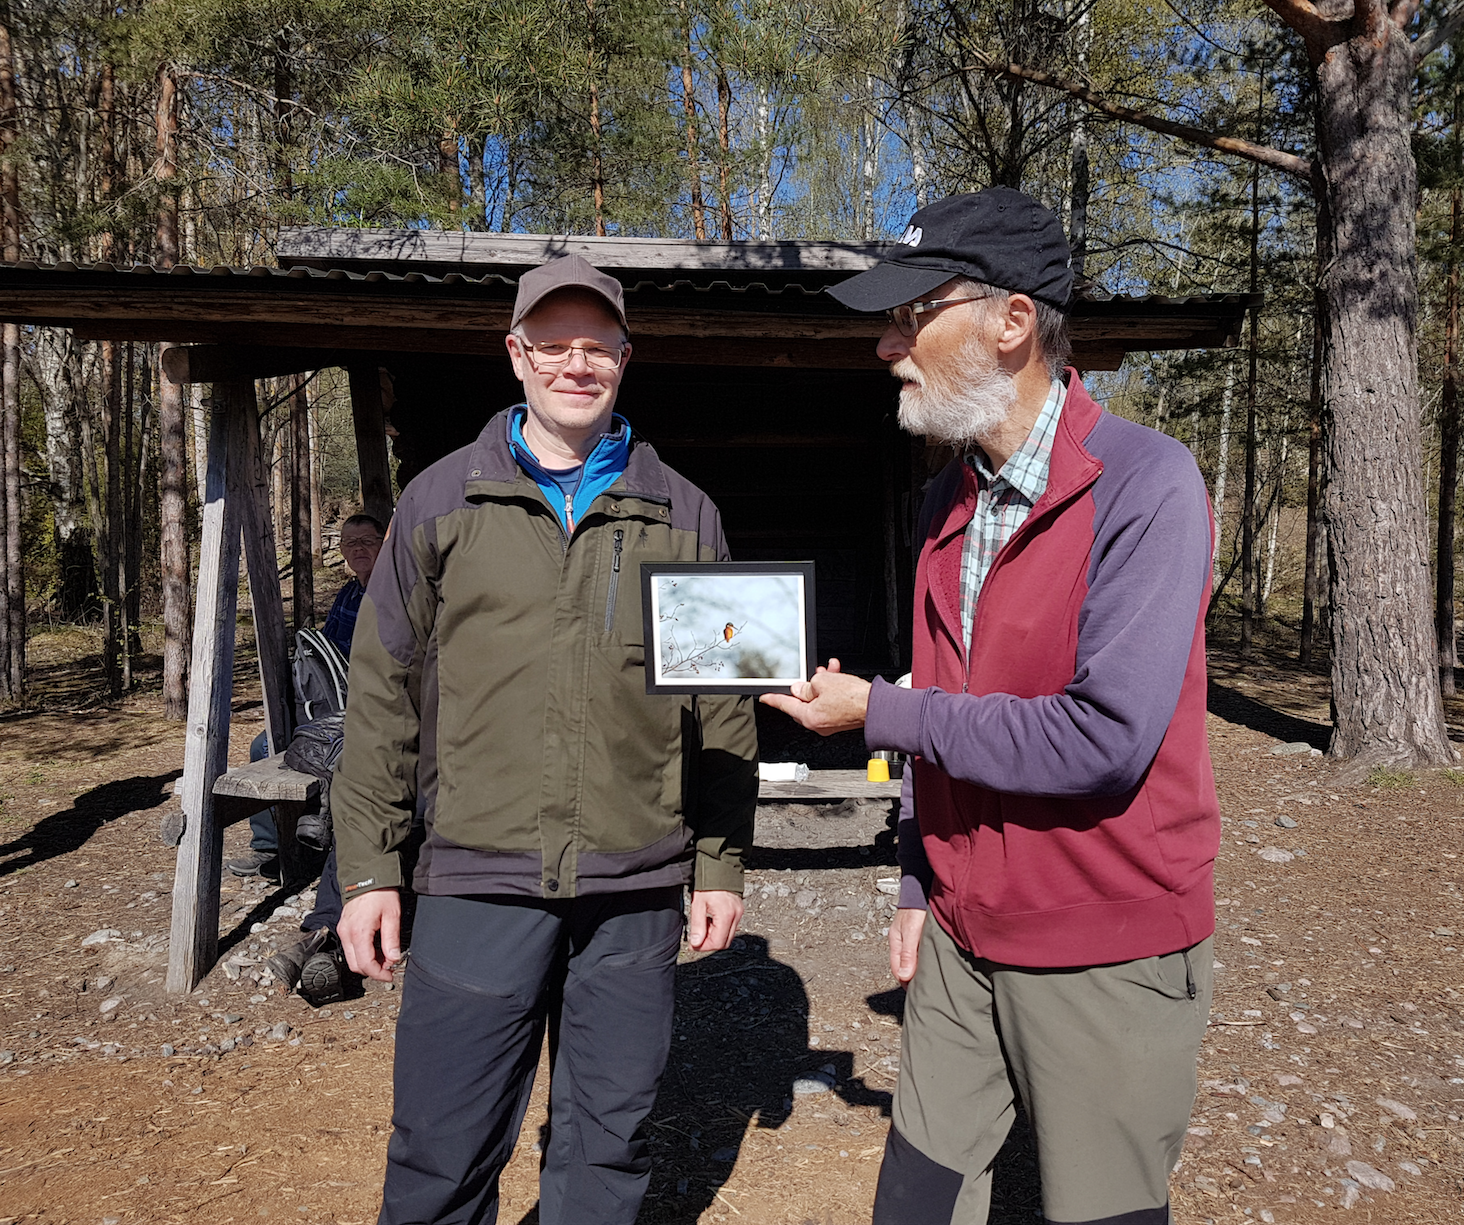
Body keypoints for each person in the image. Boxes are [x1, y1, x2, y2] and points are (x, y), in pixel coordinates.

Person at [763, 188, 1220, 1225]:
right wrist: (922, 875)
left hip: (1106, 946)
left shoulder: (1148, 486)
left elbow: (1103, 739)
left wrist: (877, 713)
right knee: (916, 1203)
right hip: (964, 938)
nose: (886, 346)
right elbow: (946, 702)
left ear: (1011, 323)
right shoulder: (946, 498)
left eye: (906, 315)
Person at [331, 253, 759, 1225]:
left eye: (596, 345)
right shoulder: (441, 506)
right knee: (443, 1144)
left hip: (634, 887)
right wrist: (368, 871)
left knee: (609, 1144)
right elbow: (382, 699)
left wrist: (721, 862)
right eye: (554, 345)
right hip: (476, 880)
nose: (577, 364)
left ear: (624, 356)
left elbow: (725, 709)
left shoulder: (685, 515)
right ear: (516, 355)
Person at [225, 514, 387, 884]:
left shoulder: (392, 592)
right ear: (342, 550)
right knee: (265, 746)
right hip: (335, 706)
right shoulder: (350, 592)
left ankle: (314, 845)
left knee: (321, 755)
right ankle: (271, 845)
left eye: (368, 540)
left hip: (373, 709)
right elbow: (325, 655)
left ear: (385, 543)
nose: (358, 548)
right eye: (350, 542)